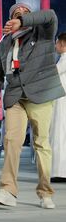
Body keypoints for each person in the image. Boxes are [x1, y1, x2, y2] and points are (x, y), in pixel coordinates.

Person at [0, 3, 65, 209]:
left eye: (24, 14)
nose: (19, 15)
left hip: (40, 94)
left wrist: (22, 21)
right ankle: (7, 190)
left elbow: (51, 15)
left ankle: (45, 192)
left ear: (30, 17)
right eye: (15, 14)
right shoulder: (6, 43)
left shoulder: (44, 33)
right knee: (11, 140)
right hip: (15, 96)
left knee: (41, 144)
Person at [50, 33, 66, 182]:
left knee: (59, 136)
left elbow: (52, 74)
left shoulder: (64, 60)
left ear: (63, 44)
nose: (55, 46)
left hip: (62, 103)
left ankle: (60, 172)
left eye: (57, 43)